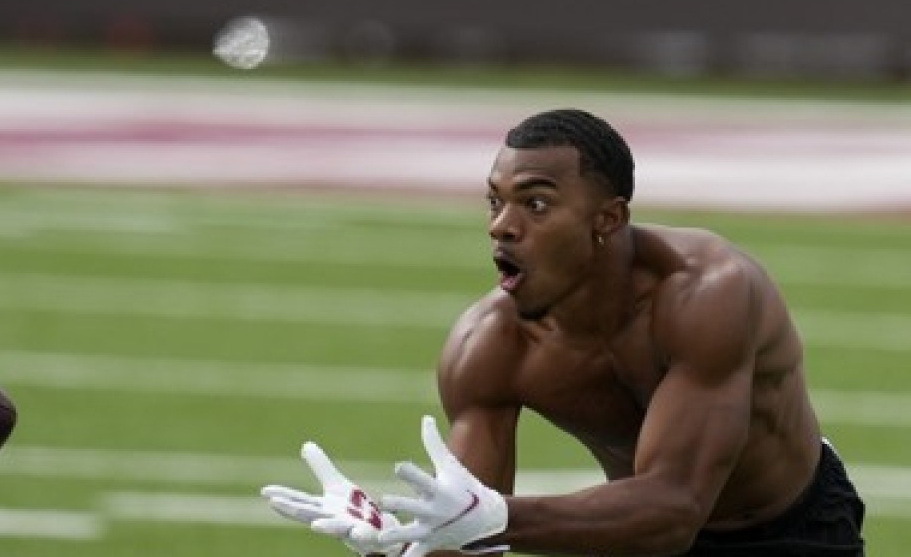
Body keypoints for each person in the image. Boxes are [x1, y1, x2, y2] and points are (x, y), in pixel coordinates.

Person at [261, 109, 866, 556]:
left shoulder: (707, 294)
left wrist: (493, 517)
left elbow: (676, 508)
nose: (502, 225)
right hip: (630, 537)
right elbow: (468, 533)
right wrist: (405, 540)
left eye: (536, 204)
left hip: (789, 529)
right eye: (494, 202)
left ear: (608, 219)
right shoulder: (488, 347)